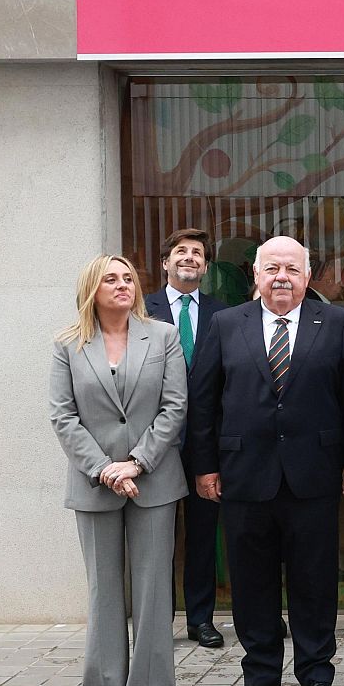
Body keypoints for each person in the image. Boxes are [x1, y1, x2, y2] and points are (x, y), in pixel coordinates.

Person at [186, 235, 344, 686]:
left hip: (314, 475)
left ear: (307, 277)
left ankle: (317, 680)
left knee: (314, 582)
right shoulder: (225, 324)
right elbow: (203, 401)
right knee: (251, 584)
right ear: (256, 276)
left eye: (291, 268)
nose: (281, 276)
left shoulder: (337, 323)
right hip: (244, 476)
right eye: (272, 268)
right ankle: (261, 681)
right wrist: (205, 466)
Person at [49, 255, 188, 686]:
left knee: (152, 591)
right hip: (94, 483)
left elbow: (174, 407)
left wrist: (137, 462)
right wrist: (106, 468)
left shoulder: (164, 338)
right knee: (103, 590)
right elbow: (63, 417)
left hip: (154, 479)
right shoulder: (67, 345)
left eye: (128, 277)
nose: (123, 285)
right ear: (92, 289)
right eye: (111, 279)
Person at [144, 227, 230, 649]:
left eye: (198, 253)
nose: (190, 258)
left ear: (206, 266)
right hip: (152, 440)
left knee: (201, 533)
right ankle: (156, 620)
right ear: (165, 262)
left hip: (205, 442)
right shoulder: (143, 309)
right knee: (155, 534)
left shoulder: (223, 313)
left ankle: (201, 619)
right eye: (181, 251)